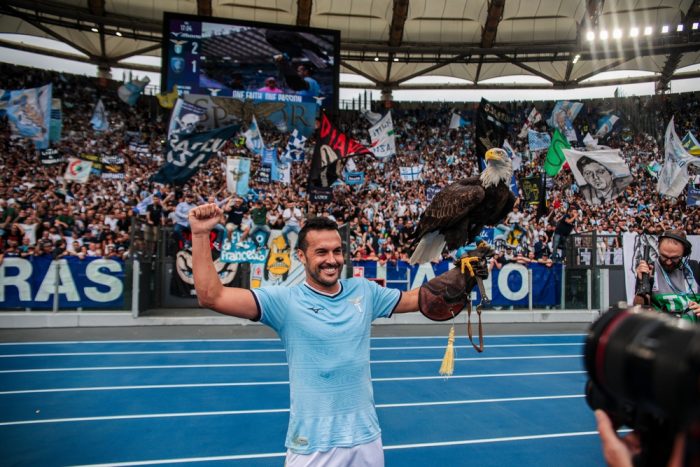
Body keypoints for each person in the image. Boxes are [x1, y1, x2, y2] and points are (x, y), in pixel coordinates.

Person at [189, 207, 425, 466]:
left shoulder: (365, 291)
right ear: (301, 256)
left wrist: (459, 273)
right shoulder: (285, 301)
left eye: (337, 251)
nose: (332, 260)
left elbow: (416, 299)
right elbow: (212, 296)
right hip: (312, 446)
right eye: (321, 252)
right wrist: (200, 234)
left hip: (367, 440)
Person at [633, 229, 700, 321]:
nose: (668, 262)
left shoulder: (695, 268)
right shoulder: (649, 270)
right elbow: (638, 308)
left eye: (674, 258)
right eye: (664, 256)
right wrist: (642, 283)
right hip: (662, 329)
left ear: (684, 253)